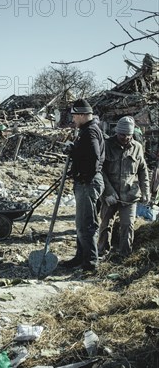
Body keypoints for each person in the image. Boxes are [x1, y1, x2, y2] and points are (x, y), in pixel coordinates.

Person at [61, 99, 105, 272]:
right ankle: (80, 257)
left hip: (89, 183)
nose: (73, 120)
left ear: (81, 114)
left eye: (74, 116)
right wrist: (74, 152)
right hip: (87, 181)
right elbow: (85, 154)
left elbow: (94, 157)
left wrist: (84, 176)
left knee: (86, 224)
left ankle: (91, 263)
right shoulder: (86, 130)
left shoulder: (90, 132)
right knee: (81, 223)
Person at [98, 116, 150, 259]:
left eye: (129, 135)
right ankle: (102, 252)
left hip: (130, 195)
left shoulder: (137, 147)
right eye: (122, 134)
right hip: (110, 195)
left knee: (127, 225)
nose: (125, 138)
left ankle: (124, 255)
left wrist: (146, 192)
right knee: (106, 224)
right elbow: (100, 170)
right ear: (116, 132)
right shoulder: (107, 145)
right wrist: (108, 192)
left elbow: (142, 170)